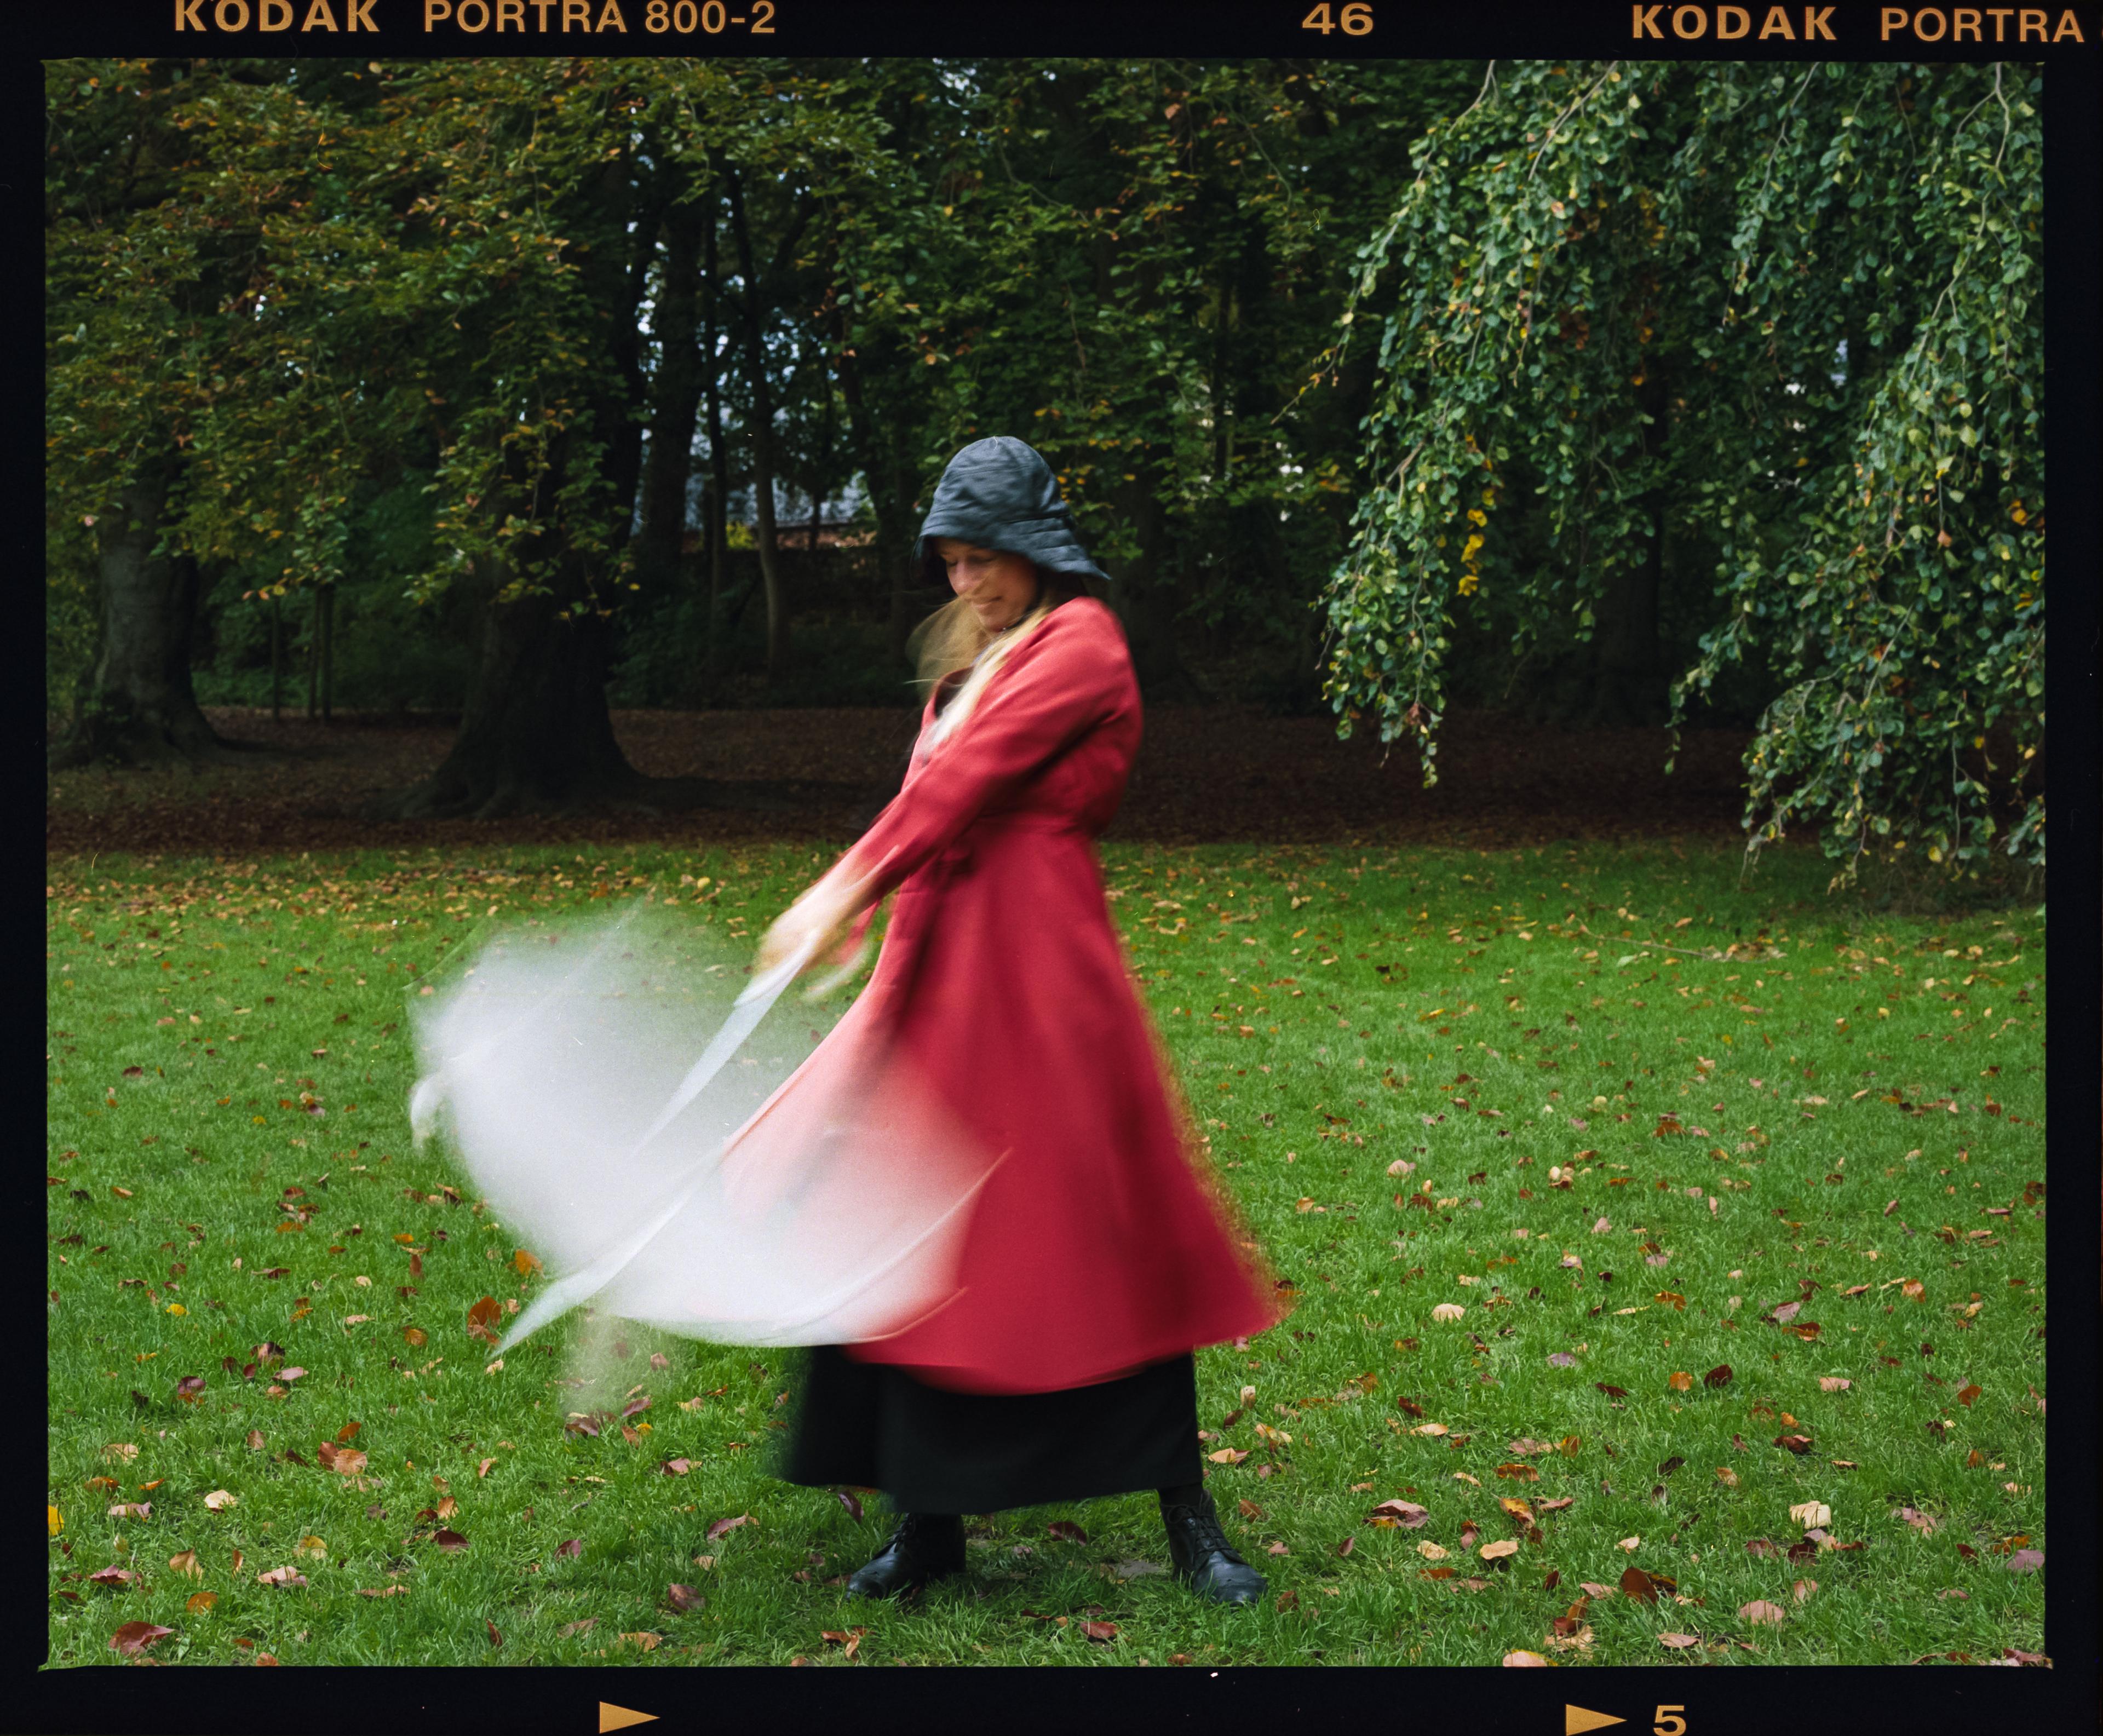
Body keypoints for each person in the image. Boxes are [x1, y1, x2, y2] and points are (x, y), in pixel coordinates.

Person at [752, 436, 1282, 1606]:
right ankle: (928, 1522)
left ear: (1035, 547)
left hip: (1043, 975)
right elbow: (927, 798)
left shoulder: (1083, 644)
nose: (966, 581)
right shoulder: (975, 659)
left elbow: (966, 782)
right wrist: (868, 914)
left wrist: (841, 885)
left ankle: (1189, 1521)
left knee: (1102, 1221)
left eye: (983, 558)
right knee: (913, 1230)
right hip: (944, 972)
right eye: (951, 561)